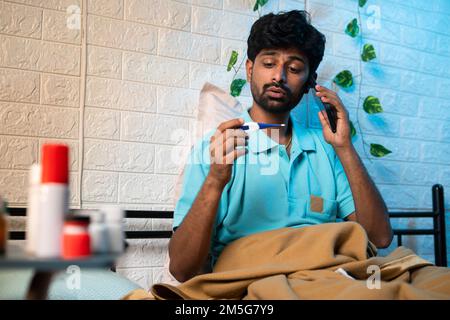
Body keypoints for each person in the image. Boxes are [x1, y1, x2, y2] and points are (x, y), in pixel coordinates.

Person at [168, 10, 393, 283]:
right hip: (254, 284)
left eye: (295, 68)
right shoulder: (216, 150)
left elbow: (379, 236)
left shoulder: (328, 148)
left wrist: (345, 147)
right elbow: (181, 269)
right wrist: (216, 180)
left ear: (310, 81)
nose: (279, 76)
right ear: (250, 69)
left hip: (328, 278)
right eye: (269, 63)